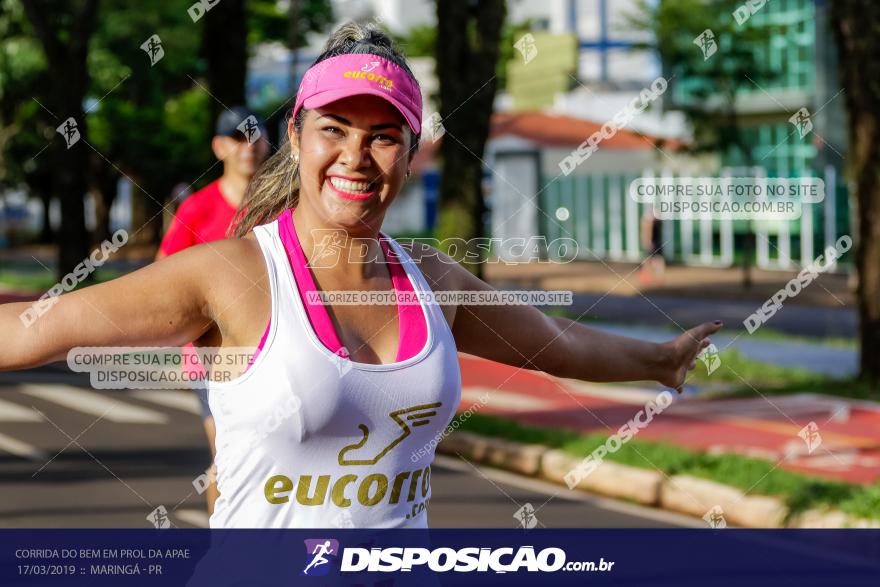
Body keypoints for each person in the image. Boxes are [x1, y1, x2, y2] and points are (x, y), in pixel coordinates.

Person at [0, 22, 721, 529]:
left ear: (411, 155)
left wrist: (658, 358)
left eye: (382, 137)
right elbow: (44, 325)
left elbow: (552, 342)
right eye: (334, 130)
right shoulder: (231, 272)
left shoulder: (432, 278)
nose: (356, 156)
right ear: (297, 136)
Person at [155, 106, 270, 516]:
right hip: (214, 356)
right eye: (238, 139)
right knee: (228, 453)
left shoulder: (287, 209)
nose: (249, 148)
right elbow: (164, 274)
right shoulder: (198, 209)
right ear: (220, 147)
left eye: (256, 137)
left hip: (273, 348)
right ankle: (224, 551)